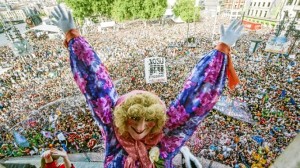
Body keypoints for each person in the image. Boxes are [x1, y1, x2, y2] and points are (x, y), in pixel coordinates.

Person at [51, 4, 243, 168]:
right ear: (121, 118)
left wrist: (221, 51)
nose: (141, 127)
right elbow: (96, 85)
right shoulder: (114, 133)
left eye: (149, 120)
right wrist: (73, 38)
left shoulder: (166, 139)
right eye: (134, 118)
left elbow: (195, 99)